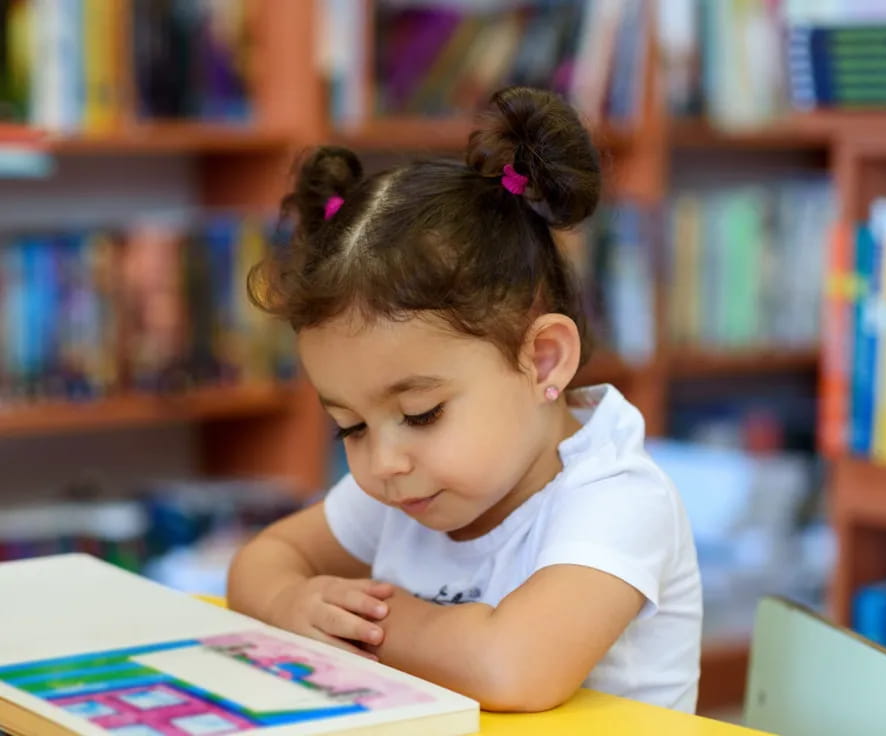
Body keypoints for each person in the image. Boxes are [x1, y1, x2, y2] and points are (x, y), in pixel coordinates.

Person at [228, 86, 702, 713]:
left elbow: (514, 670)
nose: (384, 461)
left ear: (543, 360)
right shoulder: (411, 488)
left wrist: (363, 623)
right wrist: (292, 603)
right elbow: (262, 560)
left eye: (422, 413)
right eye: (350, 428)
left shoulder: (617, 497)